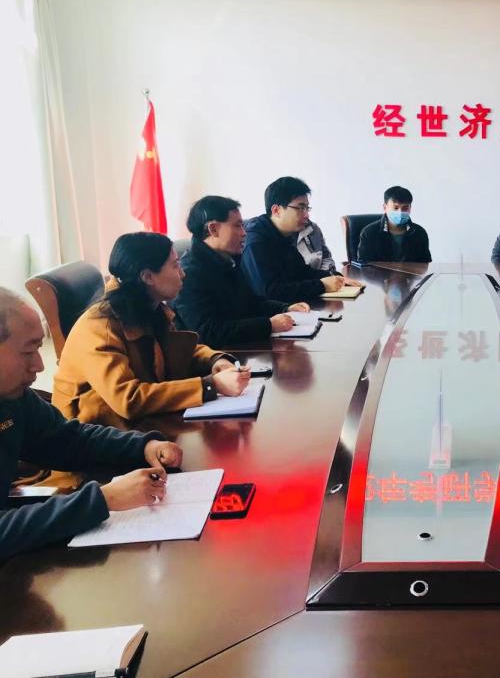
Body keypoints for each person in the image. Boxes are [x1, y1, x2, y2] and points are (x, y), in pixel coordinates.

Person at [0, 288, 185, 560]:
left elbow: (68, 439)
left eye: (39, 349)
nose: (39, 365)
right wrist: (102, 500)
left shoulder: (14, 398)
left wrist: (144, 446)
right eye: (28, 352)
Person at [53, 233, 250, 430]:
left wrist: (215, 361)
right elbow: (128, 399)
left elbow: (177, 349)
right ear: (147, 276)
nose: (183, 274)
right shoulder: (100, 326)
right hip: (92, 432)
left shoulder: (146, 305)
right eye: (175, 265)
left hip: (137, 423)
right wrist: (210, 385)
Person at [173, 195, 311, 346]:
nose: (244, 233)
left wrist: (285, 308)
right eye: (237, 226)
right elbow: (207, 332)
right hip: (212, 357)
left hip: (240, 349)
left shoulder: (229, 259)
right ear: (213, 229)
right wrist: (268, 325)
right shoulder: (188, 273)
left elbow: (250, 302)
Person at [241, 176, 363, 301]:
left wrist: (336, 277)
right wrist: (322, 285)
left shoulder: (283, 235)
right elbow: (271, 292)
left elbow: (302, 273)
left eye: (307, 208)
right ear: (276, 210)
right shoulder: (255, 242)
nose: (306, 215)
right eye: (300, 208)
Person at [357, 185, 433, 264]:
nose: (400, 212)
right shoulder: (369, 233)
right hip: (379, 272)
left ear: (410, 208)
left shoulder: (419, 233)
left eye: (405, 208)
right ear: (385, 207)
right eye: (395, 208)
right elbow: (364, 266)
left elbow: (425, 265)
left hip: (410, 272)